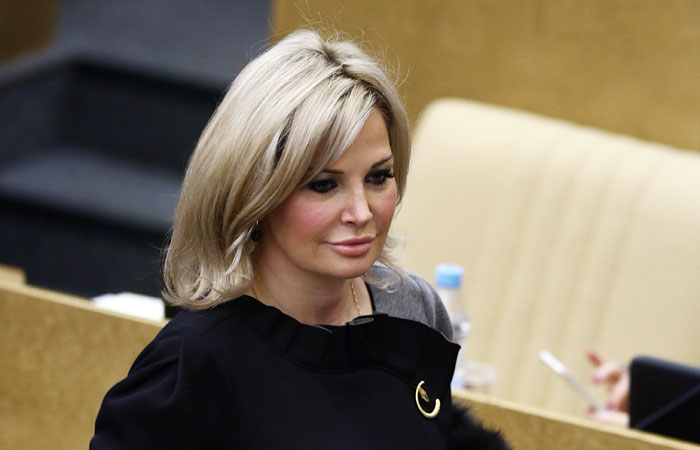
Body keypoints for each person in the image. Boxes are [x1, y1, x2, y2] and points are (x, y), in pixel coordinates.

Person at [90, 30, 509, 449]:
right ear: (255, 193)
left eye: (378, 177)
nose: (362, 212)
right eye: (324, 185)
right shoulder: (195, 359)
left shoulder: (412, 307)